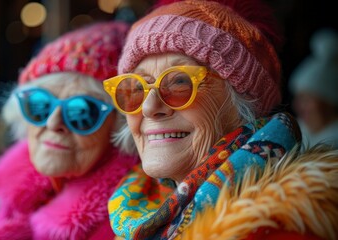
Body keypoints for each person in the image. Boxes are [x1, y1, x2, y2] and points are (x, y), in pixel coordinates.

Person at [103, 0, 338, 239]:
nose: (149, 108)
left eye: (179, 81)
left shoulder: (286, 221)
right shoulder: (132, 205)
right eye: (135, 87)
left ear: (244, 104)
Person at [0, 21, 139, 240]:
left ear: (119, 125)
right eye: (39, 105)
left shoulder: (126, 218)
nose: (53, 123)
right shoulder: (19, 196)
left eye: (81, 112)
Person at [289, 28, 338, 149]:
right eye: (298, 98)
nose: (298, 106)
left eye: (306, 99)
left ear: (327, 101)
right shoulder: (296, 132)